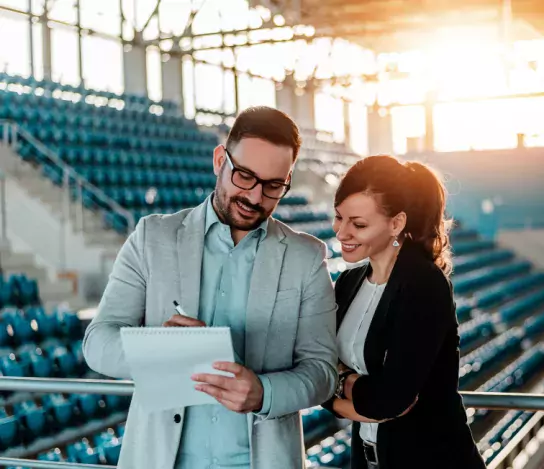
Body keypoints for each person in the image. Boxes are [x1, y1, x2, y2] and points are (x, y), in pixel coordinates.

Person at [83, 106, 338, 469]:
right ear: (220, 160)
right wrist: (162, 349)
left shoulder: (307, 257)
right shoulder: (152, 237)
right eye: (245, 176)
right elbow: (97, 343)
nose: (255, 197)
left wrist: (264, 393)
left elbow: (322, 372)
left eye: (273, 186)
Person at [322, 155, 486, 469]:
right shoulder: (347, 282)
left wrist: (339, 380)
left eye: (358, 224)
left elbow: (391, 399)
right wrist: (349, 387)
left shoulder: (424, 283)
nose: (341, 233)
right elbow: (318, 376)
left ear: (396, 223)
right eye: (338, 217)